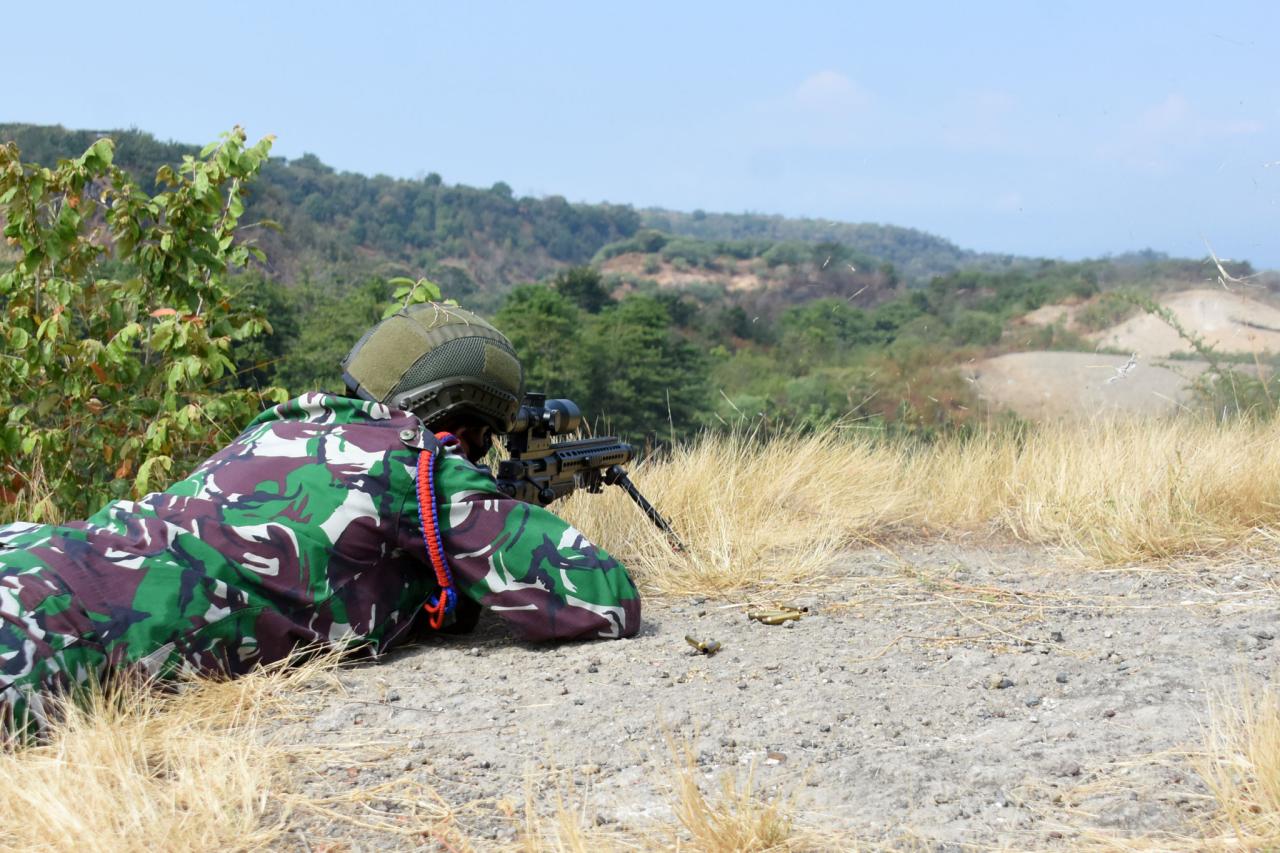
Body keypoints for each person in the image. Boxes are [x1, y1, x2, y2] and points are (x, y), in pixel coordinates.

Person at [0, 303, 641, 736]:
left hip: (39, 554)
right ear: (457, 428)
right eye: (480, 443)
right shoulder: (414, 468)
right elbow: (602, 599)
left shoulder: (273, 429)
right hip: (55, 637)